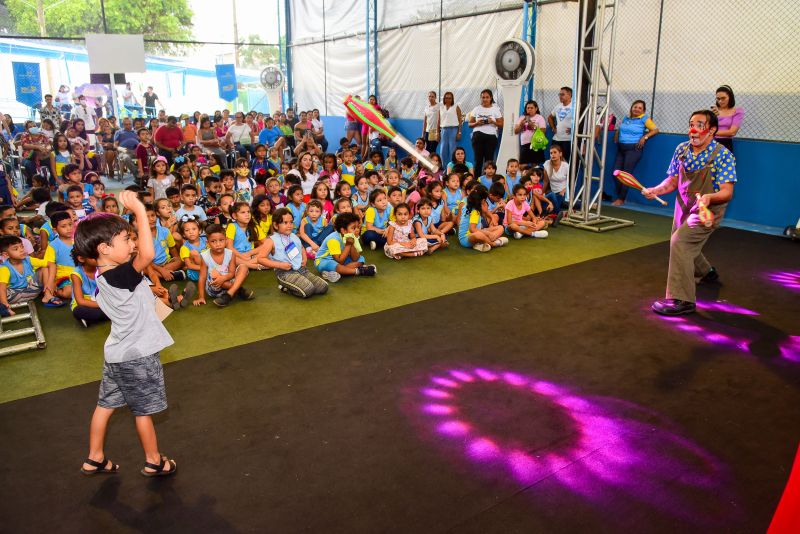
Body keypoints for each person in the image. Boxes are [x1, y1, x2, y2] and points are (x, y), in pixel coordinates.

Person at [73, 192, 177, 477]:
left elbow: (132, 292)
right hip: (137, 356)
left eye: (132, 239)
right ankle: (154, 460)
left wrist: (151, 289)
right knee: (142, 411)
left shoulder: (106, 275)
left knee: (105, 406)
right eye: (126, 240)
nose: (132, 245)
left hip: (117, 353)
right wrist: (141, 211)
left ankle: (95, 457)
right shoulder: (119, 275)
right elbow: (148, 255)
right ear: (104, 249)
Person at [642, 110, 737, 316]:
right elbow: (673, 180)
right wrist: (655, 190)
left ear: (711, 130)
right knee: (682, 244)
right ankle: (706, 271)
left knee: (681, 242)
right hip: (683, 205)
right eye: (691, 123)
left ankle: (682, 299)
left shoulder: (723, 155)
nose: (693, 129)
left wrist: (710, 197)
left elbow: (727, 192)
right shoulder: (682, 149)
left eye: (700, 124)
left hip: (707, 209)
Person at [261, 207, 329, 298]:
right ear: (276, 225)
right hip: (285, 273)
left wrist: (304, 259)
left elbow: (301, 248)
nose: (289, 225)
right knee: (308, 290)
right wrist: (280, 265)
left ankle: (300, 282)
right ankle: (285, 288)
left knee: (323, 287)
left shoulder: (294, 236)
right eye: (285, 223)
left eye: (291, 222)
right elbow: (260, 258)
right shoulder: (271, 241)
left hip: (301, 269)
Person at [194, 223, 254, 307]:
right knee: (214, 275)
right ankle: (238, 290)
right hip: (215, 287)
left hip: (228, 281)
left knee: (243, 267)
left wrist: (224, 278)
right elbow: (202, 277)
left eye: (221, 240)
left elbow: (232, 273)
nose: (218, 244)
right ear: (207, 243)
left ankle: (229, 295)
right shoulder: (205, 256)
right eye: (213, 241)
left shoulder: (230, 254)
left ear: (226, 240)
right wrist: (201, 297)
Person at [612, 100, 659, 205]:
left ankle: (621, 199)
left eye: (640, 108)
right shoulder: (626, 118)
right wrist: (617, 133)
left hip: (633, 149)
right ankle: (620, 197)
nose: (637, 109)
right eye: (635, 107)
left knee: (626, 175)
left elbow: (655, 130)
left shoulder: (644, 119)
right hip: (621, 148)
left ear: (643, 111)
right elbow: (621, 128)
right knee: (616, 173)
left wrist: (644, 137)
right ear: (631, 108)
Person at [314, 212, 376, 280]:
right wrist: (348, 244)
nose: (357, 230)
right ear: (343, 230)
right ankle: (359, 271)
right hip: (323, 261)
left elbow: (355, 258)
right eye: (353, 228)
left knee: (361, 259)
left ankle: (335, 272)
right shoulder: (333, 239)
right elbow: (339, 261)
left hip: (342, 259)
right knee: (336, 265)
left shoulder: (351, 236)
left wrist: (351, 244)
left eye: (358, 227)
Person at [457, 185, 508, 252]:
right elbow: (472, 229)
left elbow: (486, 211)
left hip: (478, 231)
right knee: (479, 235)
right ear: (483, 200)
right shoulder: (474, 211)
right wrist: (488, 233)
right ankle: (493, 243)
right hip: (466, 239)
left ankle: (481, 244)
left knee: (500, 227)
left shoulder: (471, 206)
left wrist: (492, 219)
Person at [468, 89, 503, 177]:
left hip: (491, 137)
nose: (485, 99)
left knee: (489, 160)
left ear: (491, 98)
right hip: (478, 136)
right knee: (478, 160)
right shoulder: (476, 109)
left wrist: (493, 122)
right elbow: (470, 124)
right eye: (483, 97)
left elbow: (501, 124)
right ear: (481, 98)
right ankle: (476, 180)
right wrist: (477, 123)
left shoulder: (495, 109)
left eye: (487, 97)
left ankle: (488, 179)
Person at [712, 85, 744, 154]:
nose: (720, 101)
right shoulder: (714, 111)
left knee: (725, 163)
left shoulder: (737, 111)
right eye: (718, 98)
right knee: (709, 164)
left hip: (726, 143)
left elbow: (732, 132)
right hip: (711, 142)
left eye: (723, 98)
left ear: (730, 97)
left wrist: (711, 132)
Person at [515, 100, 547, 168]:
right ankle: (525, 178)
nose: (529, 109)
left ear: (536, 108)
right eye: (527, 108)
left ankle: (533, 178)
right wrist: (521, 125)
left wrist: (533, 127)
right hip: (524, 144)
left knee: (534, 166)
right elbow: (516, 131)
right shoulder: (522, 117)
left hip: (535, 144)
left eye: (531, 108)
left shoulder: (539, 118)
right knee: (522, 166)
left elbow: (543, 132)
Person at [542, 145, 570, 219]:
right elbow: (545, 181)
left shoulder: (566, 166)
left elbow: (570, 182)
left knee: (562, 201)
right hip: (553, 193)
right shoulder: (547, 164)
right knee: (552, 196)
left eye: (555, 152)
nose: (553, 155)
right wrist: (542, 193)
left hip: (563, 193)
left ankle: (557, 213)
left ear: (560, 154)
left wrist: (564, 191)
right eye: (551, 153)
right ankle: (559, 213)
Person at [548, 87, 574, 161]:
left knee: (566, 162)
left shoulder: (574, 107)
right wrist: (553, 128)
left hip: (568, 140)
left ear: (569, 95)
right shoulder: (558, 106)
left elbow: (582, 122)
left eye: (562, 94)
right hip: (556, 139)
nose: (560, 96)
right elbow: (550, 117)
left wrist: (574, 129)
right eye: (559, 94)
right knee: (554, 160)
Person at [438, 92, 463, 164]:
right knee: (443, 151)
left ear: (452, 99)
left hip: (453, 130)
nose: (448, 99)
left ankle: (453, 168)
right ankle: (445, 169)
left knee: (453, 150)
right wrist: (437, 132)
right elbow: (439, 120)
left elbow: (460, 120)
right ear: (444, 99)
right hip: (443, 130)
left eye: (450, 98)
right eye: (446, 98)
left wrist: (459, 132)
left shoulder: (456, 106)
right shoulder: (441, 107)